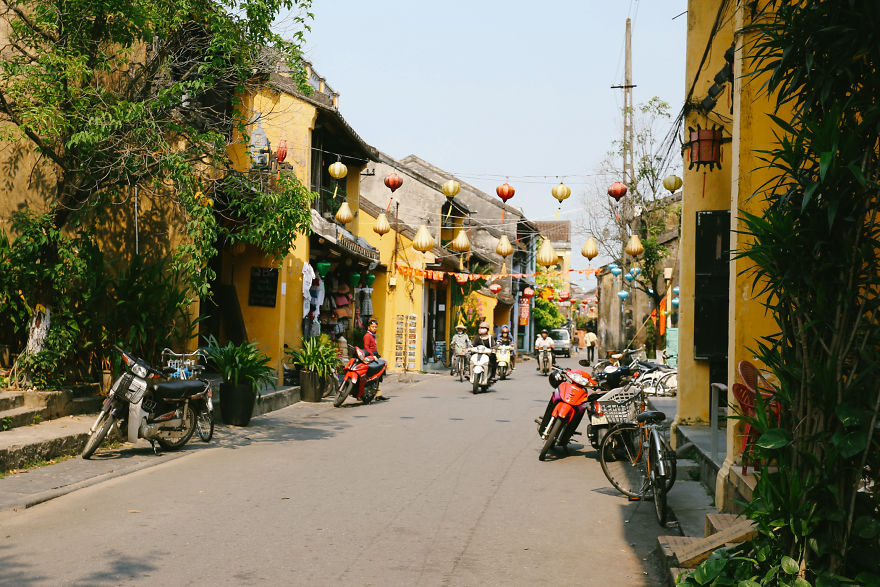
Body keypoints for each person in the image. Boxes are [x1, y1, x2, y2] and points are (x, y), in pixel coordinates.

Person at [363, 319, 388, 401]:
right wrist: (373, 356)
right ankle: (377, 394)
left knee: (377, 375)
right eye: (373, 327)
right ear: (369, 327)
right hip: (371, 357)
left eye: (375, 327)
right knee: (374, 374)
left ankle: (378, 394)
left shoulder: (373, 335)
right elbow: (366, 347)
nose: (374, 328)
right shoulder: (367, 336)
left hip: (374, 356)